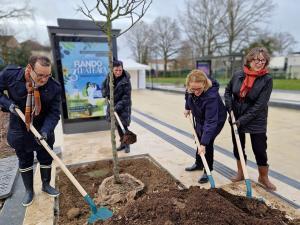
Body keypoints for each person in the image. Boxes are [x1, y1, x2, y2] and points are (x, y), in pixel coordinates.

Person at [0, 55, 62, 206]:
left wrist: (46, 131)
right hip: (20, 127)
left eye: (48, 75)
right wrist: (8, 104)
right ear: (29, 68)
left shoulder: (54, 87)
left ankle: (46, 185)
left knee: (46, 157)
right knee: (25, 159)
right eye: (40, 75)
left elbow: (54, 113)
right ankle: (29, 191)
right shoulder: (11, 75)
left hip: (42, 127)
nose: (44, 80)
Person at [224, 47, 276, 191]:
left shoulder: (267, 79)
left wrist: (242, 120)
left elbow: (260, 105)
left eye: (263, 60)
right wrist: (230, 108)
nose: (259, 63)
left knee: (260, 149)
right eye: (256, 59)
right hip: (236, 116)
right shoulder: (238, 74)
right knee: (238, 146)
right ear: (249, 60)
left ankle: (263, 177)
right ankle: (241, 173)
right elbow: (228, 91)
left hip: (256, 118)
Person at [184, 69, 226, 183]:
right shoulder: (190, 89)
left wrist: (204, 143)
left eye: (199, 89)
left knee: (207, 142)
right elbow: (188, 96)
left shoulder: (211, 97)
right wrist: (187, 107)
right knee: (199, 137)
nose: (196, 92)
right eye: (193, 89)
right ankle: (198, 164)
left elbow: (210, 122)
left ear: (204, 84)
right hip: (200, 116)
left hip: (216, 120)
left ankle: (208, 171)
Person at [101, 60, 132, 153]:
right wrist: (105, 93)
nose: (118, 72)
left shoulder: (126, 81)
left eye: (120, 70)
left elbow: (126, 97)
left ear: (122, 69)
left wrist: (116, 107)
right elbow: (103, 86)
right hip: (112, 105)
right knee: (118, 126)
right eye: (116, 70)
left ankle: (127, 145)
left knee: (124, 126)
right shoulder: (109, 77)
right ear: (112, 70)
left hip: (123, 107)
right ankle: (123, 144)